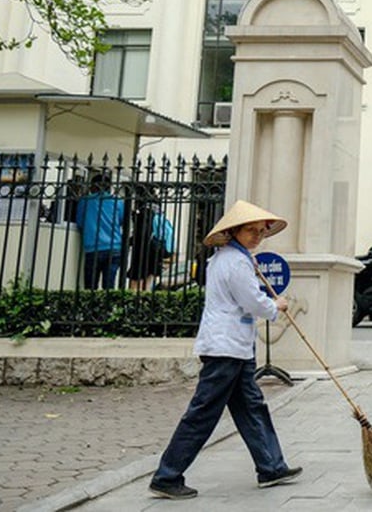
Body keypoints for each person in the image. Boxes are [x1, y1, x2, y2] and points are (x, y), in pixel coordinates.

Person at [149, 200, 302, 500]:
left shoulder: (235, 259)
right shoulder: (234, 262)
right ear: (234, 231)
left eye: (261, 231)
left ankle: (271, 466)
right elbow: (252, 302)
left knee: (251, 406)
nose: (257, 236)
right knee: (204, 411)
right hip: (225, 349)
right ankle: (167, 476)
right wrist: (276, 305)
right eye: (251, 231)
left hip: (237, 348)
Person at [75, 174, 125, 289]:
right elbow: (122, 221)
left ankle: (91, 307)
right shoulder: (117, 202)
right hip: (114, 247)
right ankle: (107, 307)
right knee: (109, 287)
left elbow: (80, 223)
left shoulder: (85, 201)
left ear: (93, 186)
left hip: (93, 247)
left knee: (90, 287)